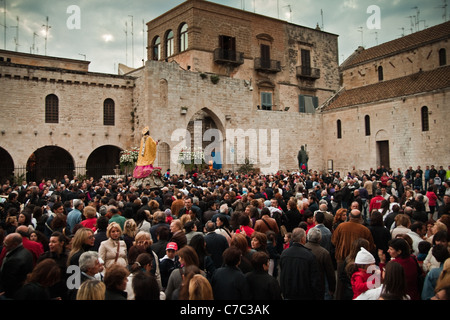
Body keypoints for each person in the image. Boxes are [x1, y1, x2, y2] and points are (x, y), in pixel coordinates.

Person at [331, 209, 375, 300]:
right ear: (360, 218)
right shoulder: (365, 230)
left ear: (349, 216)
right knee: (357, 284)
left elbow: (334, 241)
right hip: (359, 261)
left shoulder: (341, 226)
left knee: (341, 284)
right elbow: (370, 246)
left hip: (342, 258)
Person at [279, 227, 322, 300]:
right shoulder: (309, 255)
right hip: (304, 294)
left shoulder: (284, 254)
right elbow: (314, 279)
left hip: (288, 292)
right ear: (302, 239)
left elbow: (282, 273)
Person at [304, 227, 336, 300]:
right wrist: (332, 288)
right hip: (320, 284)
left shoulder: (302, 249)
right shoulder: (324, 253)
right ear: (319, 239)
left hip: (304, 284)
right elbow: (330, 273)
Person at [0, 233, 34, 299]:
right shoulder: (26, 252)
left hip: (11, 294)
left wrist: (4, 292)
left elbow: (9, 281)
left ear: (15, 244)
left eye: (6, 243)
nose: (4, 245)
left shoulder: (14, 260)